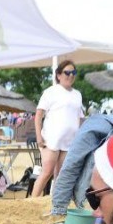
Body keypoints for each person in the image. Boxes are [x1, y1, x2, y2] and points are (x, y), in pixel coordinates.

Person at [31, 60, 85, 197]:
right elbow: (38, 115)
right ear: (59, 75)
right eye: (67, 72)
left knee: (60, 176)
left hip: (69, 142)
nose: (71, 75)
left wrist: (80, 137)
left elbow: (80, 117)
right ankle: (32, 203)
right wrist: (39, 137)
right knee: (47, 172)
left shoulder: (77, 94)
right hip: (51, 139)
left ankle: (54, 205)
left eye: (73, 72)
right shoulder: (51, 92)